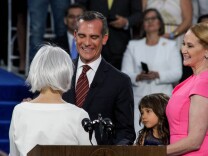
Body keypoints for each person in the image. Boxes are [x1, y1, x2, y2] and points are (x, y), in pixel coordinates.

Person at [63, 11, 135, 145]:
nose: (87, 43)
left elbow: (126, 133)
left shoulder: (120, 82)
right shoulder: (60, 73)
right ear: (75, 36)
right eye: (82, 36)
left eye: (94, 37)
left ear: (105, 38)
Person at [9, 45, 96, 156]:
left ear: (35, 71)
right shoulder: (78, 115)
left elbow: (13, 153)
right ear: (67, 73)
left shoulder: (20, 111)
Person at [121, 8, 182, 134]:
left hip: (163, 100)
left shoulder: (170, 45)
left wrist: (158, 75)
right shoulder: (133, 45)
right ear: (142, 24)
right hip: (140, 100)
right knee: (140, 137)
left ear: (160, 22)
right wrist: (138, 76)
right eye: (146, 19)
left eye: (153, 18)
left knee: (164, 135)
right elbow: (124, 74)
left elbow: (177, 73)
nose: (150, 22)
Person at [166, 22, 208, 155]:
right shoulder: (192, 80)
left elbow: (194, 141)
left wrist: (153, 152)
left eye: (190, 46)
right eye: (183, 44)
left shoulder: (203, 81)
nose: (183, 50)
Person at [76, 0, 142, 70]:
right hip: (93, 43)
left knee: (118, 78)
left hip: (120, 43)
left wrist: (126, 22)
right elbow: (80, 7)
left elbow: (138, 14)